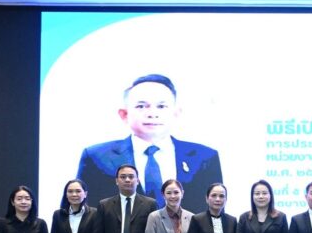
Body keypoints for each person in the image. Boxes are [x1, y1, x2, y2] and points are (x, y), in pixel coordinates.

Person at [76, 74, 223, 207]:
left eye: (161, 106)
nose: (152, 113)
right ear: (124, 114)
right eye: (141, 106)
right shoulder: (96, 157)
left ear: (176, 113)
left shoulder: (204, 157)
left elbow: (214, 211)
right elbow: (82, 210)